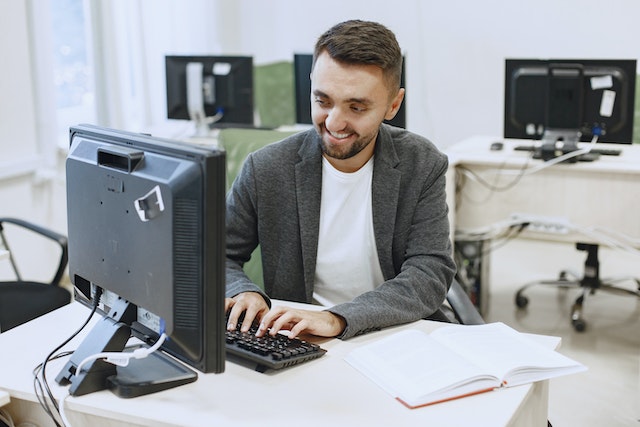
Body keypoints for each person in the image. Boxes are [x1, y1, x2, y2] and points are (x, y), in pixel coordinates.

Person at [225, 19, 456, 340]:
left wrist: (338, 318)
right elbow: (217, 254)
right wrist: (242, 291)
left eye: (356, 107)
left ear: (393, 104)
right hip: (301, 339)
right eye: (322, 101)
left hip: (396, 335)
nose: (334, 122)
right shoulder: (266, 168)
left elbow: (429, 272)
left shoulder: (421, 163)